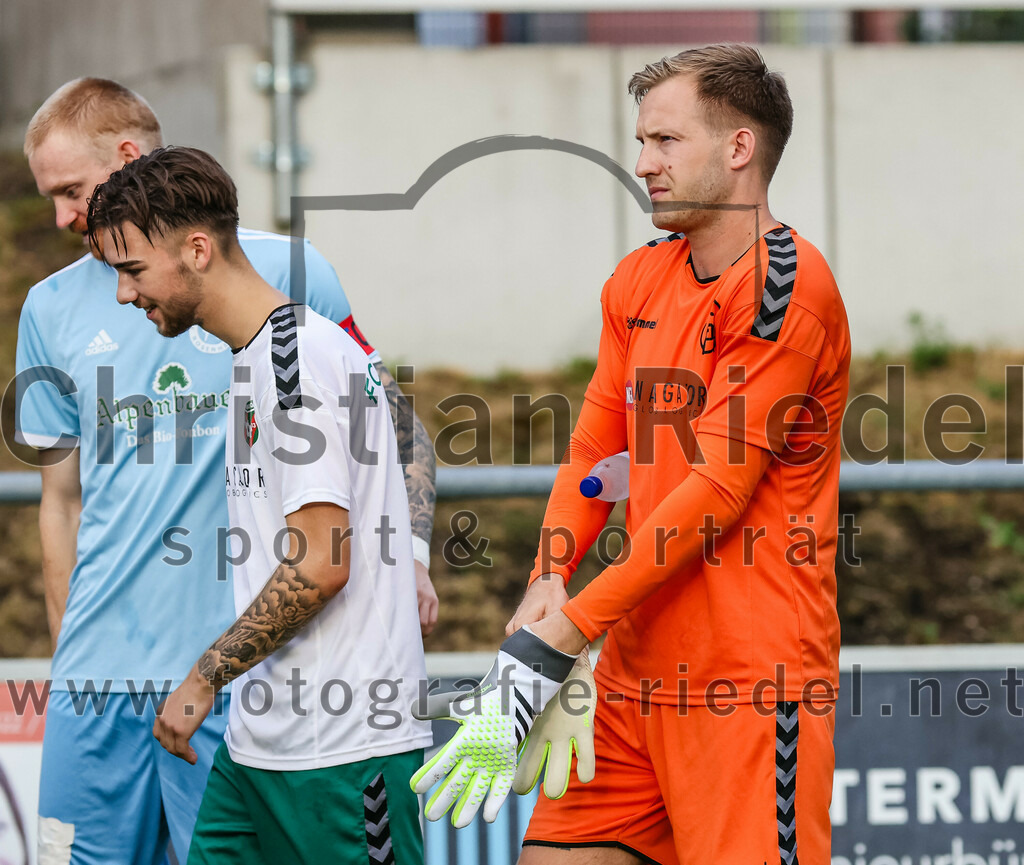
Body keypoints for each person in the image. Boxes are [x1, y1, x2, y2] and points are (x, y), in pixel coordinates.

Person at [418, 44, 851, 865]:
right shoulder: (638, 279)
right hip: (628, 675)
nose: (644, 164)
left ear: (738, 147)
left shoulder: (787, 287)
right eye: (642, 142)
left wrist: (567, 631)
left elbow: (717, 489)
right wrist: (549, 575)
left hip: (746, 685)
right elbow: (595, 452)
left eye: (666, 141)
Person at [16, 78, 437, 865]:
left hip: (278, 697)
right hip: (176, 700)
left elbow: (386, 439)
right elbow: (59, 500)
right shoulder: (68, 311)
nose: (66, 218)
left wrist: (409, 552)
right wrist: (75, 660)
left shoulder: (291, 318)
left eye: (72, 191)